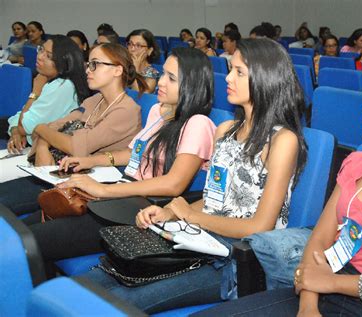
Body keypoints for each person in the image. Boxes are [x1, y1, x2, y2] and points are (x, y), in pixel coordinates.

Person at [194, 64, 362, 317]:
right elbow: (319, 241)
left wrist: (334, 282)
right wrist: (308, 303)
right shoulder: (358, 163)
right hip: (325, 290)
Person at [81, 38, 308, 314]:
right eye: (230, 69)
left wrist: (189, 215)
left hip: (237, 256)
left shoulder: (282, 140)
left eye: (239, 72)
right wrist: (169, 213)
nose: (229, 78)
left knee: (121, 301)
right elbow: (215, 201)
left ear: (265, 78)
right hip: (199, 238)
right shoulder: (225, 130)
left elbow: (260, 225)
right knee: (93, 282)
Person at [24, 47, 216, 269]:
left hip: (139, 209)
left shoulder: (198, 124)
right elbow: (133, 154)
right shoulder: (158, 111)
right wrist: (92, 161)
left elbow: (174, 184)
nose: (161, 82)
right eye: (163, 74)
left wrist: (103, 190)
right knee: (24, 230)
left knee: (27, 241)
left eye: (171, 78)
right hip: (121, 192)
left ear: (192, 85)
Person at [0, 43, 144, 216]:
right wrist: (44, 142)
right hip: (60, 170)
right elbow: (55, 126)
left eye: (95, 64)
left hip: (86, 183)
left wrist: (41, 130)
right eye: (88, 64)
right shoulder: (95, 100)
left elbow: (76, 146)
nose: (88, 70)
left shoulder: (126, 110)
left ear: (117, 70)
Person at [7, 35, 89, 153]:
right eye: (41, 50)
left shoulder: (62, 86)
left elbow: (24, 127)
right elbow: (21, 115)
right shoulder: (49, 80)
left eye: (49, 56)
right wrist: (15, 131)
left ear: (65, 62)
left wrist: (35, 92)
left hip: (49, 151)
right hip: (34, 143)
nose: (40, 57)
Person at [126, 29, 160, 93]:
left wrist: (135, 70)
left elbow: (141, 97)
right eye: (130, 44)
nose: (132, 49)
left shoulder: (152, 73)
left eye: (138, 45)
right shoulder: (122, 67)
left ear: (149, 50)